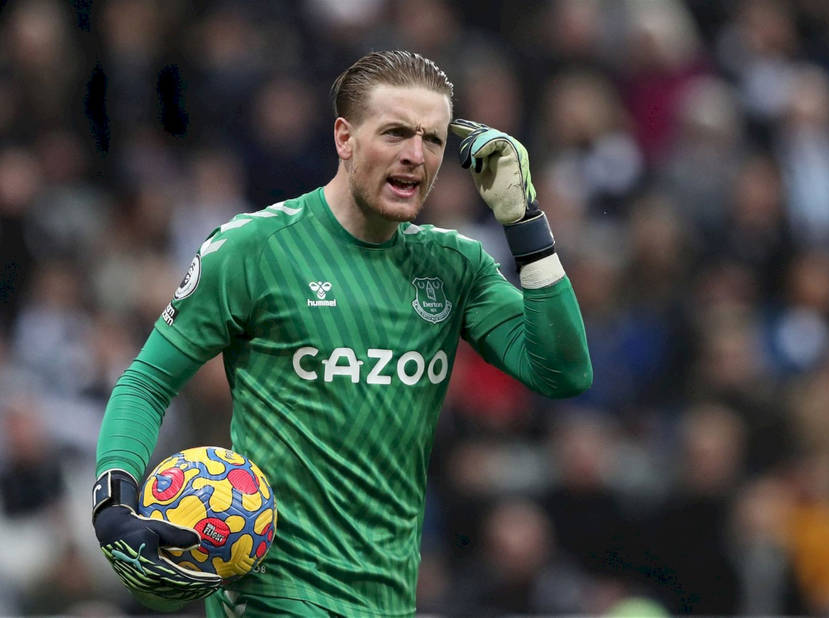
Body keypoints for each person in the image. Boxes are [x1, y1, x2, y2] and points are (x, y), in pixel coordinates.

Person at [90, 50, 593, 618]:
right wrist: (114, 497)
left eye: (432, 140)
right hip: (273, 597)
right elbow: (147, 382)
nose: (414, 156)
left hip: (389, 600)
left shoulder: (455, 267)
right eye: (396, 133)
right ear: (344, 137)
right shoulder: (254, 250)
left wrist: (525, 223)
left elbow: (563, 372)